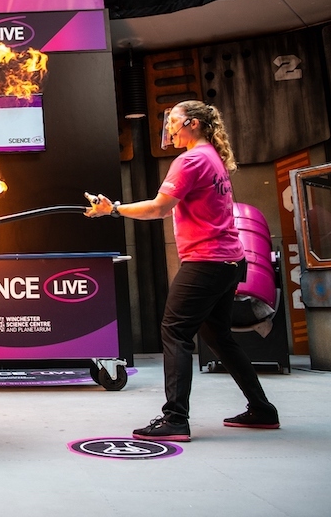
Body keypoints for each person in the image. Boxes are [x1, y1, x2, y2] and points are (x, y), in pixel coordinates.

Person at [84, 100, 279, 442]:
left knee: (175, 332)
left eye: (173, 121)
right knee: (219, 336)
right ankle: (262, 409)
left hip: (207, 261)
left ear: (191, 123)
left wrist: (112, 209)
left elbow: (158, 209)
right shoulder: (212, 157)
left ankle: (175, 418)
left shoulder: (189, 160)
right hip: (230, 261)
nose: (169, 128)